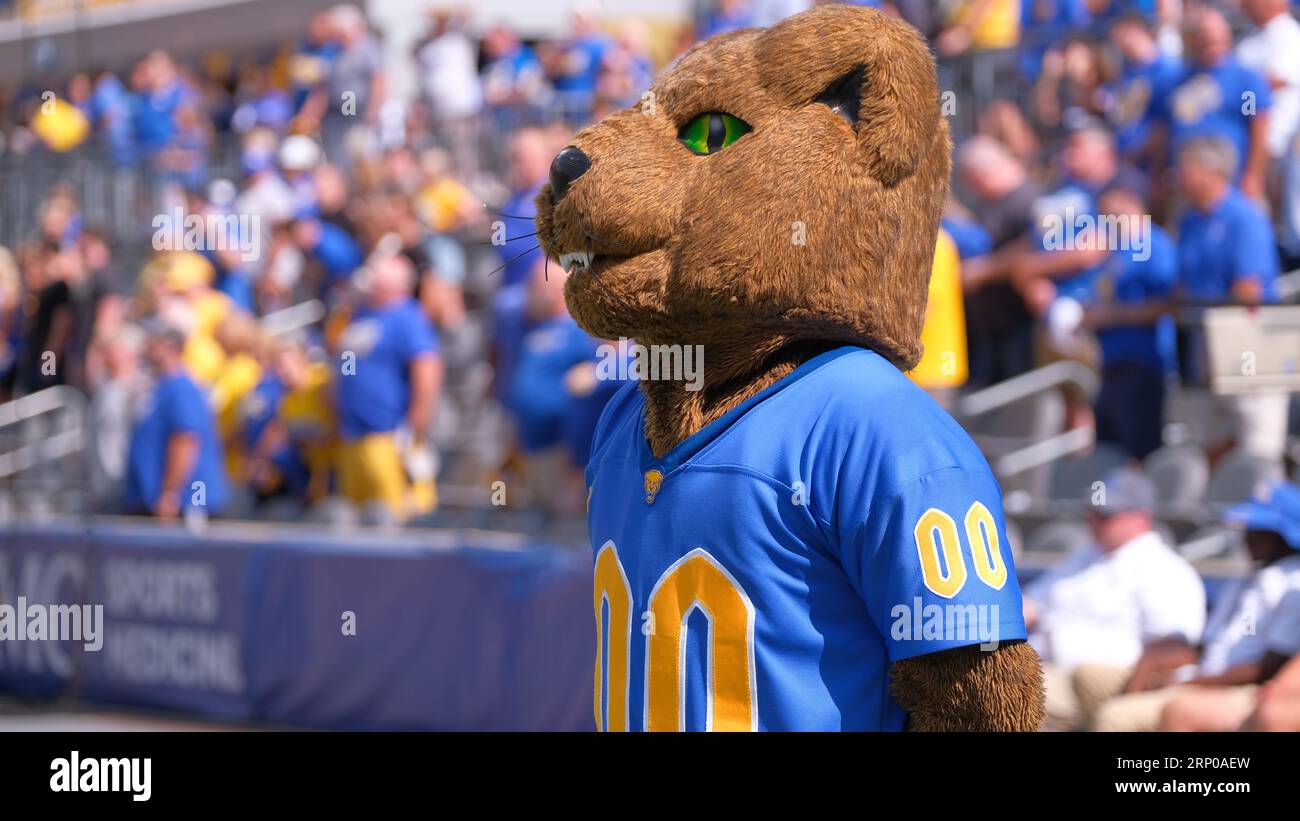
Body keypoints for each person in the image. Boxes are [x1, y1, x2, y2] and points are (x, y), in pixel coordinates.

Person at [1087, 481, 1300, 731]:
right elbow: (1209, 647)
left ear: (1285, 536)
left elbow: (1269, 668)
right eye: (1248, 529)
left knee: (1118, 717)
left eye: (1260, 531)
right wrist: (1159, 664)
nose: (1247, 538)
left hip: (1239, 689)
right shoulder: (1248, 579)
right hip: (1204, 678)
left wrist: (1189, 681)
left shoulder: (1292, 585)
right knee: (1096, 681)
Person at [1022, 467, 1205, 730]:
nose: (1094, 522)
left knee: (1000, 697)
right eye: (1092, 513)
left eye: (1106, 515)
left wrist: (1131, 696)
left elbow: (1175, 649)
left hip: (1101, 680)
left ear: (1140, 518)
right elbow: (1030, 605)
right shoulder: (1086, 557)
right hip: (1051, 668)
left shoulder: (1165, 569)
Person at [1173, 136, 1288, 463]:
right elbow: (1181, 288)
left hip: (1249, 342)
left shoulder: (1243, 217)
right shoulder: (1189, 221)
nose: (1180, 177)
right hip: (1204, 344)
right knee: (1209, 444)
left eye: (1187, 169)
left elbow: (1249, 288)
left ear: (1212, 172)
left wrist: (1203, 318)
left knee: (1257, 448)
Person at [335, 254, 442, 521]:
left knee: (393, 518)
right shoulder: (363, 313)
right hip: (353, 435)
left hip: (387, 435)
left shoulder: (407, 317)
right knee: (355, 519)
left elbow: (427, 366)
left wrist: (417, 422)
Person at [1084, 185, 1177, 460]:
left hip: (1142, 363)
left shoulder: (1154, 244)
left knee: (1139, 451)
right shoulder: (1118, 251)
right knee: (1109, 452)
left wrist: (1111, 315)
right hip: (1112, 364)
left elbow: (1166, 304)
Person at [1158, 6, 1272, 199]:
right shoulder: (1178, 81)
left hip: (1229, 180)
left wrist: (1254, 175)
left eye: (1216, 37)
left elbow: (1257, 125)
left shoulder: (1245, 80)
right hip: (1185, 179)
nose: (1212, 43)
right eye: (1205, 38)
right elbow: (1164, 129)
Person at [124, 321, 228, 519]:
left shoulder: (182, 387)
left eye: (152, 342)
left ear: (170, 347)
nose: (146, 347)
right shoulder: (161, 386)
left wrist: (170, 493)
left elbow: (186, 440)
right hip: (159, 504)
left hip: (186, 504)